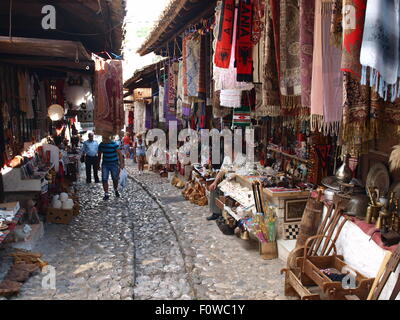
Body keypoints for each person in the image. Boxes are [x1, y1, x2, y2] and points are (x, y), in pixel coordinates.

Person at [206, 149, 249, 221]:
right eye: (225, 150)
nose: (226, 151)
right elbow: (222, 170)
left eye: (227, 149)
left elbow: (242, 172)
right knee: (215, 188)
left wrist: (231, 172)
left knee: (227, 192)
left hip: (238, 182)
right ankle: (216, 213)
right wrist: (215, 182)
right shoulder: (227, 158)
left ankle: (225, 214)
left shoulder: (242, 158)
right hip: (228, 181)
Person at [98, 135, 125, 200]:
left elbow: (120, 154)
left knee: (115, 179)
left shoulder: (114, 144)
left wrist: (121, 163)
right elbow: (99, 155)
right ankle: (106, 194)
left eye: (104, 137)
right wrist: (98, 164)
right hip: (105, 164)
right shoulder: (101, 145)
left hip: (114, 164)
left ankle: (115, 190)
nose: (103, 138)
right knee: (104, 179)